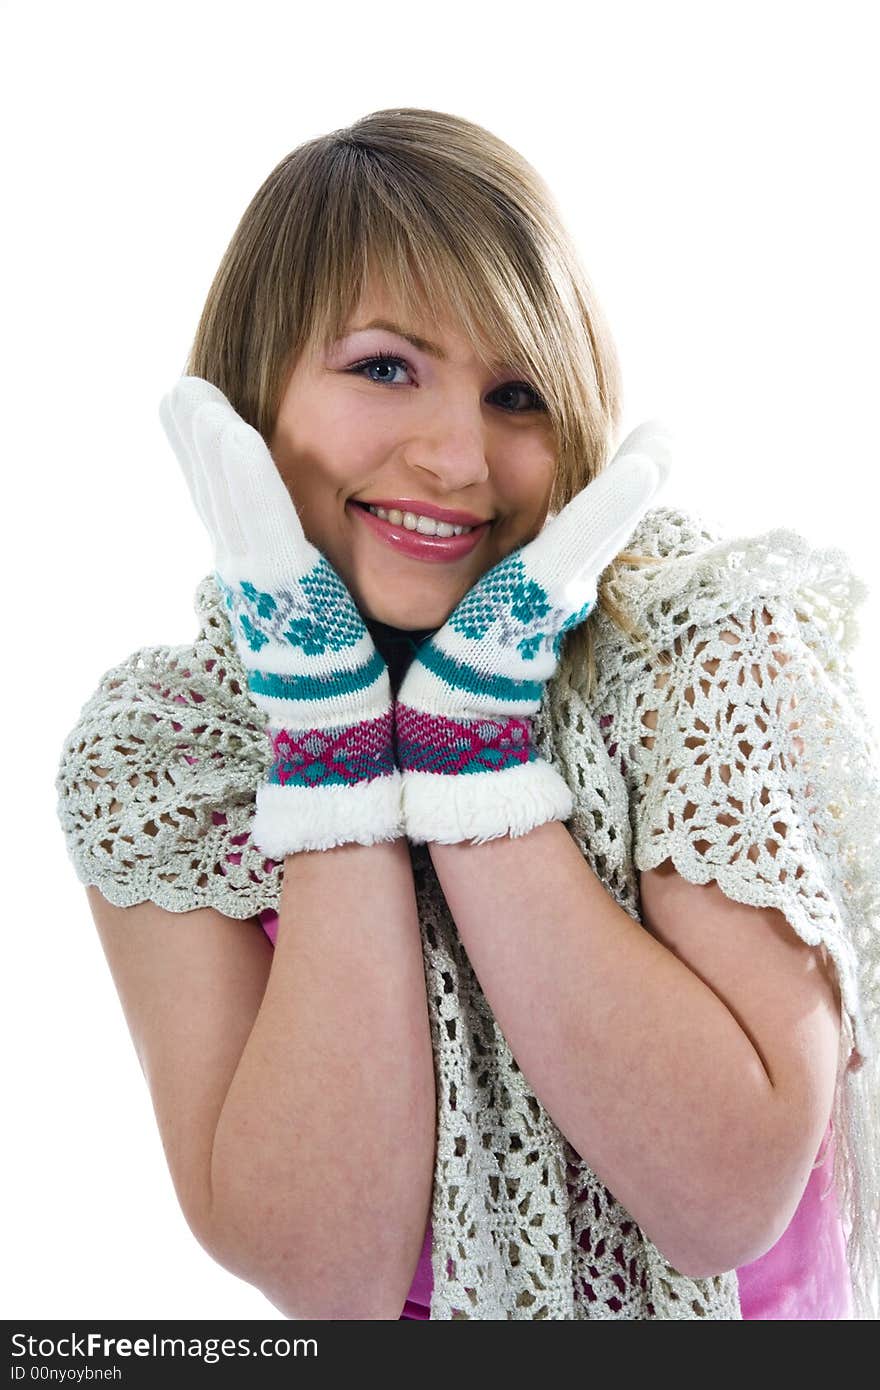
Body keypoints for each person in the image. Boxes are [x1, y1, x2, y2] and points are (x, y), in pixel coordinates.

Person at [55, 107, 880, 1320]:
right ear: (247, 392)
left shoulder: (693, 647)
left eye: (516, 392)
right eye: (384, 366)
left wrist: (474, 759)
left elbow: (720, 1197)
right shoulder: (166, 753)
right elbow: (328, 1276)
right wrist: (331, 753)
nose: (457, 457)